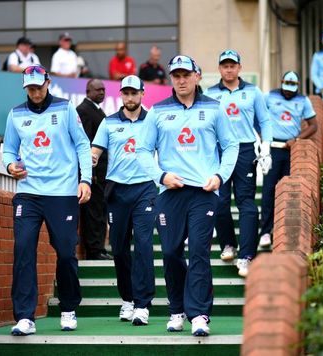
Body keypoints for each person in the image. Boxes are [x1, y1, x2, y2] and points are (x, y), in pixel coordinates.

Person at [136, 55, 239, 336]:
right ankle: (177, 309)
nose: (180, 80)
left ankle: (199, 314)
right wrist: (160, 176)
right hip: (170, 193)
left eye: (185, 75)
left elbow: (231, 146)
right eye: (176, 75)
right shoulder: (157, 111)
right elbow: (143, 150)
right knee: (170, 253)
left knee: (199, 253)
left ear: (197, 76)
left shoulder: (215, 108)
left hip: (204, 193)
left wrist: (219, 176)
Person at [3, 65, 92, 335]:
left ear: (48, 82)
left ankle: (68, 308)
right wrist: (10, 166)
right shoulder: (16, 114)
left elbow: (82, 145)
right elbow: (8, 149)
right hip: (29, 192)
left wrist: (85, 179)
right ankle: (25, 317)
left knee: (66, 252)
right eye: (30, 88)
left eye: (39, 86)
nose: (35, 92)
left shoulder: (66, 109)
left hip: (62, 192)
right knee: (23, 249)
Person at [92, 75, 157, 326]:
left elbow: (165, 149)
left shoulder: (152, 119)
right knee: (119, 248)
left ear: (142, 94)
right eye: (126, 93)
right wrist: (91, 160)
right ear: (121, 95)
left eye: (134, 93)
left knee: (143, 244)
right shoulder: (108, 123)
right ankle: (128, 299)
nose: (130, 98)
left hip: (145, 188)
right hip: (117, 190)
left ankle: (143, 304)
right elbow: (95, 151)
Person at [204, 50, 273, 278]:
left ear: (239, 68)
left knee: (246, 203)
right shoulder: (210, 93)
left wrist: (266, 146)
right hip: (220, 151)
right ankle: (228, 245)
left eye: (233, 65)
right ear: (220, 69)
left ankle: (246, 256)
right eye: (225, 65)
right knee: (220, 201)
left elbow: (264, 120)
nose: (229, 69)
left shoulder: (253, 92)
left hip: (244, 150)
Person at [259, 71, 318, 248]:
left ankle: (280, 230)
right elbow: (256, 116)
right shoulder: (269, 96)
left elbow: (314, 125)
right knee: (269, 189)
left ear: (297, 86)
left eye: (292, 88)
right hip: (273, 149)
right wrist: (263, 135)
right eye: (286, 87)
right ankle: (265, 232)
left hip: (291, 149)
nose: (288, 91)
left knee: (288, 189)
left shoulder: (303, 101)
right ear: (281, 83)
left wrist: (298, 139)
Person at [76, 79, 112, 260]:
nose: (102, 93)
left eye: (104, 90)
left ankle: (100, 247)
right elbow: (86, 144)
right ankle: (94, 250)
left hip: (103, 173)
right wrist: (90, 174)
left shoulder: (97, 110)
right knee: (93, 213)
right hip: (94, 175)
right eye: (98, 90)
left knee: (100, 211)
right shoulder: (83, 111)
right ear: (88, 91)